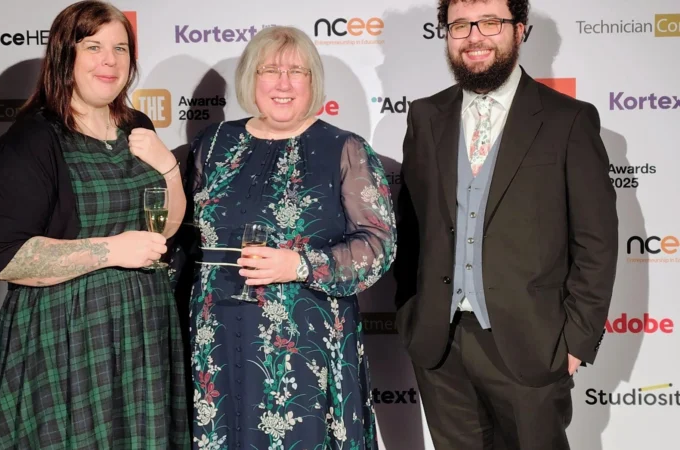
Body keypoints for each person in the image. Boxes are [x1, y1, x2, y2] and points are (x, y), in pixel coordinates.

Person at [393, 0, 618, 448]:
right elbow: (412, 227)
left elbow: (597, 241)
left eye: (490, 22)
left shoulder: (568, 120)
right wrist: (410, 315)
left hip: (532, 342)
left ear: (520, 31)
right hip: (440, 344)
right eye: (460, 25)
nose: (474, 36)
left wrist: (576, 339)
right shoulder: (424, 116)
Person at [169, 25, 397, 449]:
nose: (284, 83)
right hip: (214, 333)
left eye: (298, 72)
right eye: (270, 70)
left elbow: (378, 244)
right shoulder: (214, 143)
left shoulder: (343, 148)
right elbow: (182, 237)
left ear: (313, 81)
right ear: (250, 78)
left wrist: (302, 265)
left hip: (302, 340)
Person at [0, 1, 189, 448]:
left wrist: (169, 167)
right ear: (64, 55)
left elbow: (165, 231)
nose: (109, 60)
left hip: (143, 326)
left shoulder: (138, 126)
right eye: (93, 46)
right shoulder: (34, 139)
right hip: (67, 331)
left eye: (120, 48)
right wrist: (111, 250)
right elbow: (4, 257)